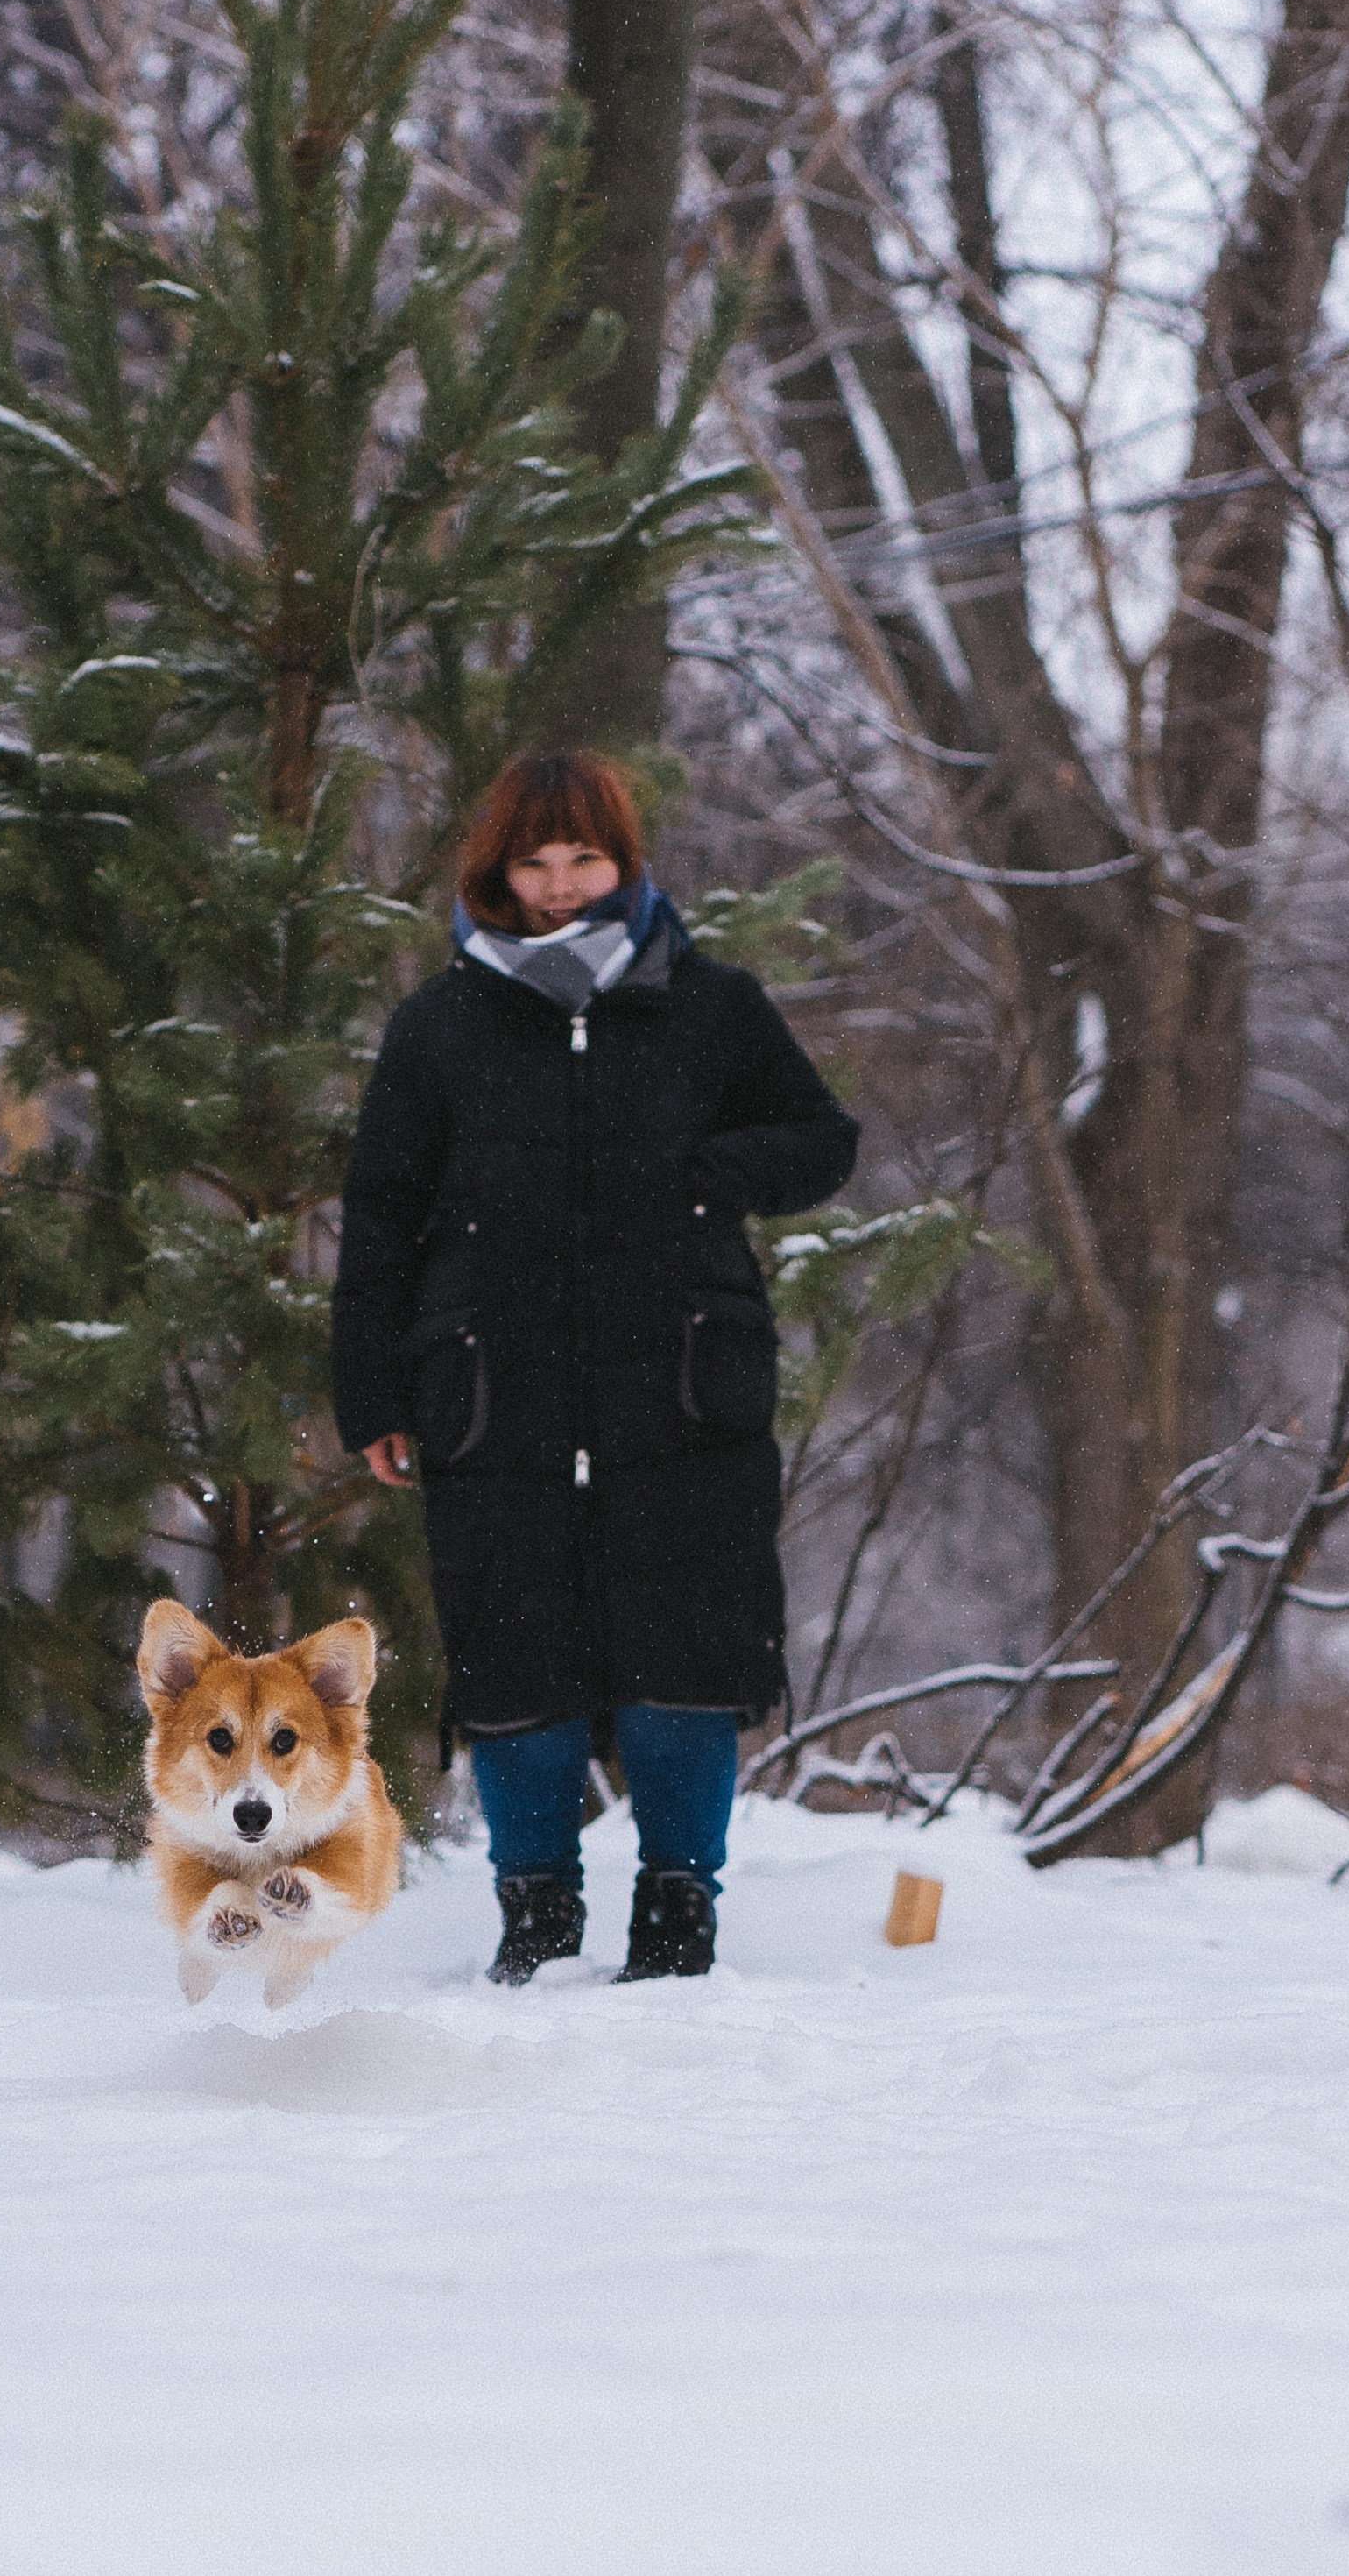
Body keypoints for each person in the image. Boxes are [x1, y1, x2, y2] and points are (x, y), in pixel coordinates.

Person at [332, 752, 858, 1985]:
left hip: (684, 1391)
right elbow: (381, 1217)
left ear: (625, 863)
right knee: (517, 1659)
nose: (562, 886)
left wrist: (714, 1174)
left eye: (585, 859)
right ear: (496, 873)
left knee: (687, 1658)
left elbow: (821, 1142)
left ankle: (679, 1917)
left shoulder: (709, 1006)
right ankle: (537, 1921)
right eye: (535, 863)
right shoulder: (441, 1026)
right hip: (492, 1394)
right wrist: (375, 1393)